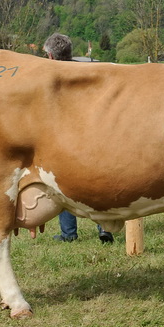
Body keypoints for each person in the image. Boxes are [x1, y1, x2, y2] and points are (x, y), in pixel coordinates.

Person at [43, 33, 114, 244]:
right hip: (92, 134)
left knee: (64, 186)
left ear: (51, 56)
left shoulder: (50, 76)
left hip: (65, 138)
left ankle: (68, 234)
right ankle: (105, 229)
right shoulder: (85, 71)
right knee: (98, 184)